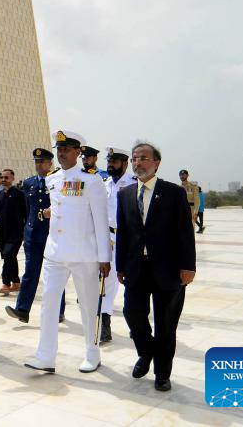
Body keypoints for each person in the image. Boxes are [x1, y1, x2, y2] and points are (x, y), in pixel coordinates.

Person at [25, 131, 110, 374]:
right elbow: (60, 208)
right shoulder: (52, 179)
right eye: (59, 149)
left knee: (88, 307)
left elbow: (101, 221)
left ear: (78, 152)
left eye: (66, 149)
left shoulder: (91, 181)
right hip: (55, 253)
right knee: (48, 304)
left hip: (84, 254)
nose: (61, 153)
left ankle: (92, 354)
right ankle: (45, 356)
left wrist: (104, 257)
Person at [117, 142, 196, 392]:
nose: (137, 163)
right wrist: (120, 266)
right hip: (136, 269)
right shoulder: (125, 194)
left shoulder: (173, 193)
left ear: (156, 163)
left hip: (168, 270)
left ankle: (162, 374)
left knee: (166, 325)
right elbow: (123, 233)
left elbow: (185, 232)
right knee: (132, 314)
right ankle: (146, 351)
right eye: (134, 159)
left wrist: (188, 266)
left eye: (143, 158)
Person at [6, 148, 66, 324]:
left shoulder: (59, 181)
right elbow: (27, 209)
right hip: (33, 236)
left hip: (52, 235)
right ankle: (22, 309)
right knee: (30, 273)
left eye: (42, 162)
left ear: (50, 163)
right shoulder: (29, 183)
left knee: (55, 274)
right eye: (37, 162)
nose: (39, 165)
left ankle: (58, 310)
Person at [100, 147, 136, 344]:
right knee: (106, 282)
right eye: (109, 161)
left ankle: (135, 324)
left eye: (114, 161)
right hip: (109, 238)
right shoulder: (104, 183)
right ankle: (105, 326)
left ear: (125, 163)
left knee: (133, 282)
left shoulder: (134, 183)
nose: (110, 165)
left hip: (129, 238)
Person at [0, 168, 26, 295]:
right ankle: (16, 282)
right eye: (2, 177)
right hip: (2, 232)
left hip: (16, 232)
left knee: (8, 255)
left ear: (12, 178)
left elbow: (26, 212)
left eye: (6, 177)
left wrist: (26, 229)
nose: (3, 180)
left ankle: (6, 283)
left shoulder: (19, 194)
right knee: (10, 257)